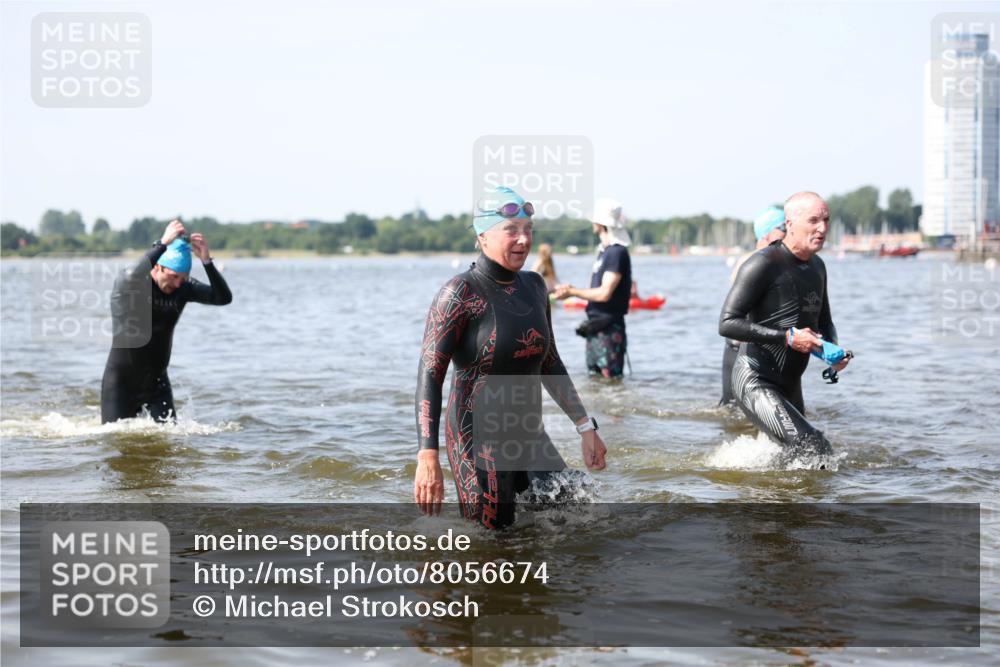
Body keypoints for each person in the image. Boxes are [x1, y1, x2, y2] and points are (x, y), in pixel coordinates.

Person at [414, 186, 607, 529]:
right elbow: (430, 374)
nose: (523, 240)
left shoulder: (534, 287)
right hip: (479, 442)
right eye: (511, 230)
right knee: (494, 547)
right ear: (483, 235)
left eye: (528, 229)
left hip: (530, 435)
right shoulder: (459, 294)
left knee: (578, 518)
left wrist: (585, 427)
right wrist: (428, 455)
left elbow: (550, 362)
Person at [718, 192, 849, 460]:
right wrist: (787, 338)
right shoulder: (763, 263)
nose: (823, 228)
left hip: (790, 383)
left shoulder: (818, 267)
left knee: (794, 454)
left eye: (826, 220)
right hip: (755, 379)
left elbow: (824, 321)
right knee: (814, 448)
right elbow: (727, 323)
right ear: (790, 223)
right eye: (813, 220)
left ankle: (766, 498)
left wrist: (831, 351)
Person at [101, 219, 232, 423]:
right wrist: (162, 244)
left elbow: (222, 298)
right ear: (157, 267)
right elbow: (130, 274)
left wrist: (207, 262)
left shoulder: (183, 288)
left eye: (183, 277)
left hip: (157, 383)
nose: (178, 283)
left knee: (168, 441)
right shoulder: (131, 285)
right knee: (116, 440)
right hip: (121, 384)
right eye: (173, 276)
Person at [553, 199, 633, 378]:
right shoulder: (604, 252)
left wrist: (573, 292)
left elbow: (604, 293)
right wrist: (568, 291)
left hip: (609, 329)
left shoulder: (617, 253)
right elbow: (593, 290)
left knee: (611, 383)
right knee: (595, 382)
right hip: (595, 327)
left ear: (601, 223)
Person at [720, 206, 786, 405]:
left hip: (766, 350)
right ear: (767, 233)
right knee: (734, 411)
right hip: (740, 350)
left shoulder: (776, 261)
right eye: (783, 226)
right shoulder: (751, 262)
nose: (788, 232)